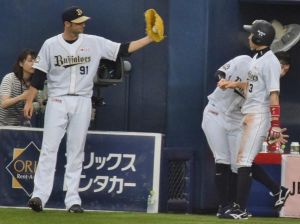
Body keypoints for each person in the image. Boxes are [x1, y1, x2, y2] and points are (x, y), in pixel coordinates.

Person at [24, 6, 164, 213]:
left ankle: (72, 200)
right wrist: (29, 101)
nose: (83, 24)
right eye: (79, 22)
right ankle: (38, 196)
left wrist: (149, 39)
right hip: (57, 100)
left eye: (83, 21)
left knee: (76, 151)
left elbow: (123, 49)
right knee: (48, 149)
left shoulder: (94, 42)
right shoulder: (51, 44)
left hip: (82, 100)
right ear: (67, 24)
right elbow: (39, 75)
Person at [218, 20, 285, 219]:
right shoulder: (257, 58)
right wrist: (232, 84)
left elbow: (274, 93)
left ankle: (239, 208)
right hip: (249, 111)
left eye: (252, 34)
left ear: (259, 37)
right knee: (241, 162)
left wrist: (275, 125)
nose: (249, 36)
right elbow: (254, 85)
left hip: (259, 114)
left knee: (244, 162)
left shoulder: (271, 61)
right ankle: (277, 191)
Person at [0, 49, 36, 126]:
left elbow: (40, 104)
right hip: (3, 126)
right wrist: (22, 97)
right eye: (30, 61)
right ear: (21, 63)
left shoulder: (35, 83)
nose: (34, 64)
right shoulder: (10, 78)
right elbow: (4, 104)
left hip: (21, 128)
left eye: (35, 61)